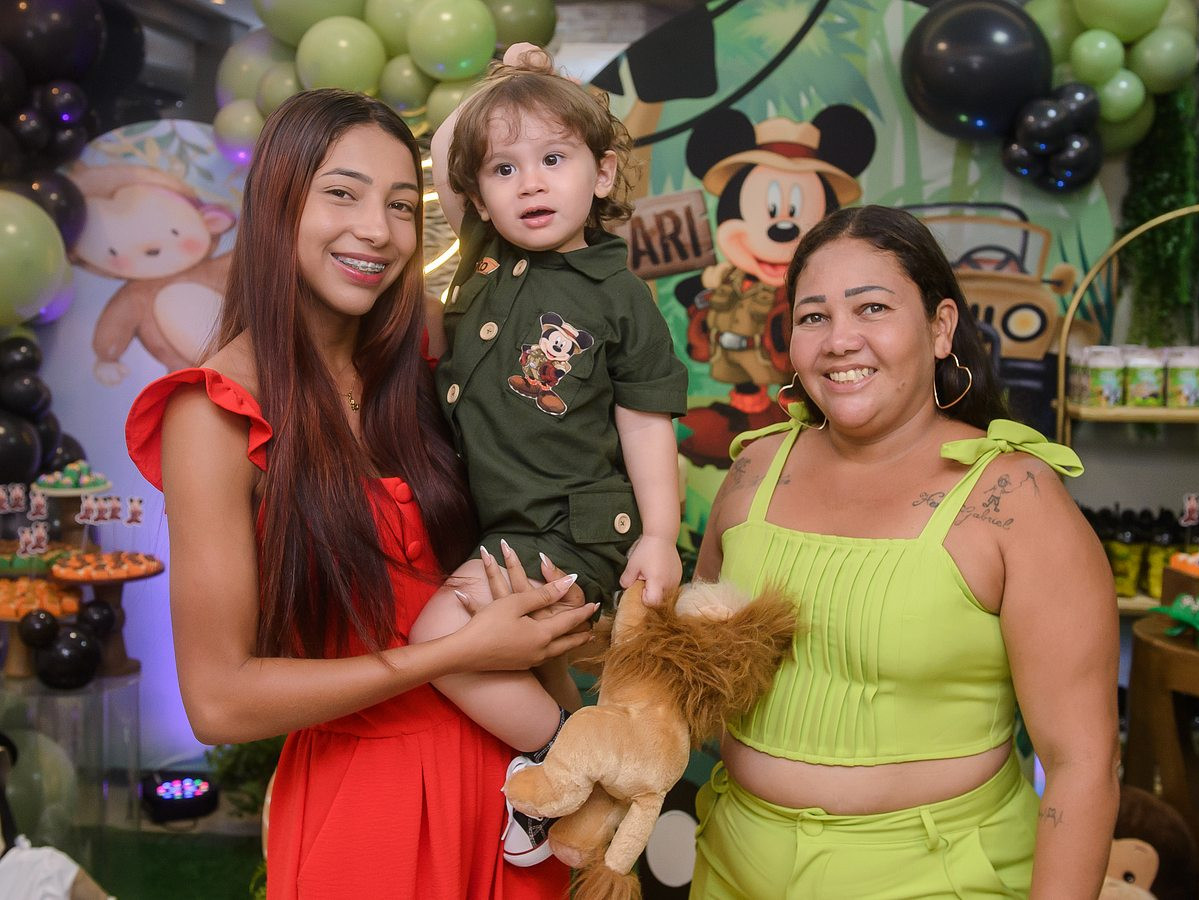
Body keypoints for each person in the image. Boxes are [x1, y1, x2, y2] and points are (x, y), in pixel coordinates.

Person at [124, 89, 597, 899]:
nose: (377, 230)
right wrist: (449, 656)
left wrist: (573, 742)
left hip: (518, 794)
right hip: (368, 808)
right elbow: (219, 700)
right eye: (342, 193)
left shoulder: (430, 355)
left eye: (401, 205)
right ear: (276, 204)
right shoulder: (214, 412)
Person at [690, 205, 1119, 898]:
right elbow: (694, 666)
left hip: (939, 877)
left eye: (872, 308)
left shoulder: (1015, 498)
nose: (840, 341)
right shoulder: (752, 471)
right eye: (814, 316)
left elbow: (1082, 764)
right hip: (731, 866)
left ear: (940, 326)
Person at [413, 45, 688, 864]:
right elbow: (448, 147)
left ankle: (567, 762)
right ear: (479, 193)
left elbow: (646, 423)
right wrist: (502, 82)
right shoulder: (483, 252)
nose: (529, 183)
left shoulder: (618, 295)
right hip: (507, 524)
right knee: (522, 664)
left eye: (553, 160)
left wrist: (660, 534)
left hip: (572, 528)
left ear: (601, 175)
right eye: (505, 169)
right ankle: (590, 769)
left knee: (437, 639)